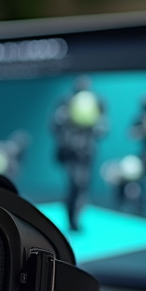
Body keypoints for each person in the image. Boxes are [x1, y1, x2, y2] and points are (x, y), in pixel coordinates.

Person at [50, 77, 107, 231]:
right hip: (70, 150)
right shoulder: (65, 102)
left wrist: (95, 128)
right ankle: (72, 219)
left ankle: (76, 217)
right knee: (75, 184)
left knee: (82, 185)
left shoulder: (97, 103)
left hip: (86, 151)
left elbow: (104, 128)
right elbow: (54, 125)